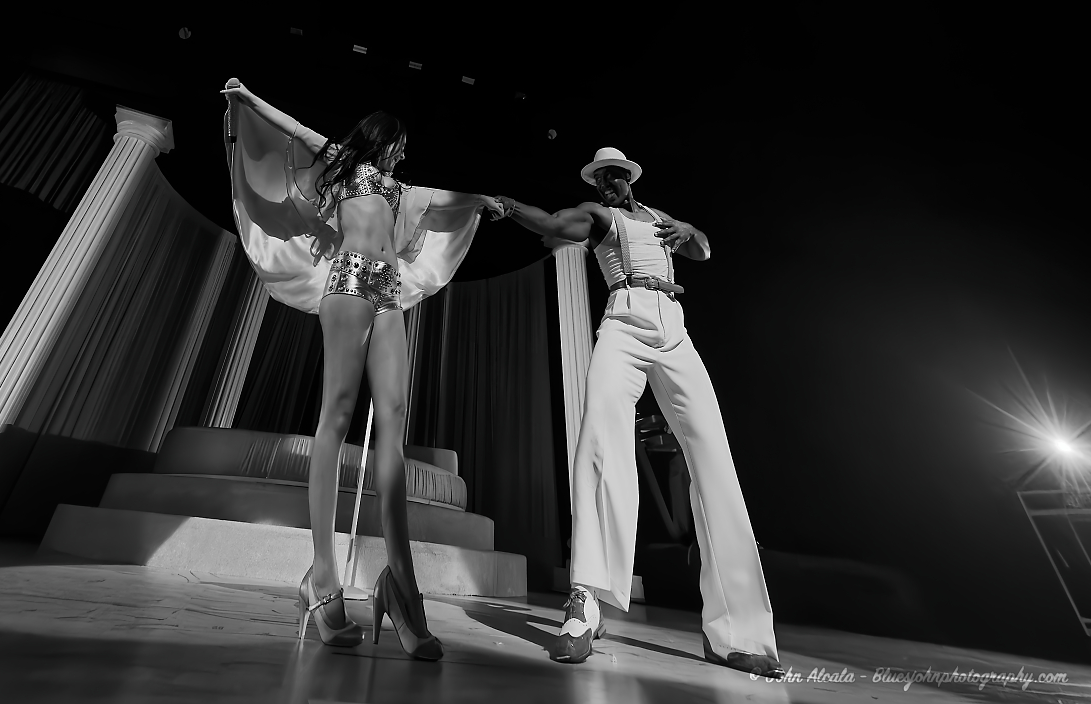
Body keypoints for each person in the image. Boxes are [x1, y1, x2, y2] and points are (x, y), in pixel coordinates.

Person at [221, 79, 503, 661]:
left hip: (390, 294)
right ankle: (323, 577)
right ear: (383, 139)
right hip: (348, 283)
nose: (402, 154)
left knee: (395, 422)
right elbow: (293, 129)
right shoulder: (342, 165)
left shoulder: (400, 191)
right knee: (337, 415)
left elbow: (442, 197)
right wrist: (248, 99)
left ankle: (401, 583)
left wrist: (480, 200)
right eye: (398, 144)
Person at [494, 147, 783, 677]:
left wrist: (690, 227)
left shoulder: (660, 219)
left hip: (673, 326)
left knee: (714, 460)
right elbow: (555, 222)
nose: (607, 183)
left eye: (615, 176)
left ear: (629, 179)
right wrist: (510, 206)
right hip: (624, 320)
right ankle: (585, 601)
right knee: (599, 443)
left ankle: (738, 631)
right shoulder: (599, 215)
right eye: (600, 177)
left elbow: (704, 252)